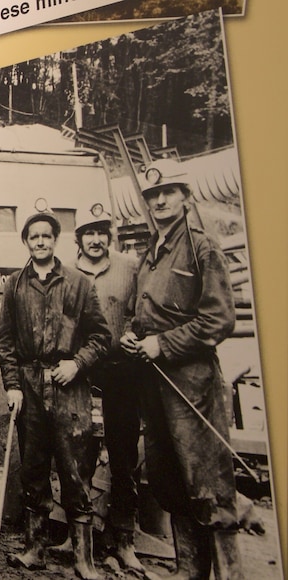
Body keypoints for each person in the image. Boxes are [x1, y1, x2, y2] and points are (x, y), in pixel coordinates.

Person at [119, 159, 241, 579]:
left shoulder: (202, 247)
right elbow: (142, 314)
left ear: (186, 197)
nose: (159, 201)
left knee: (208, 485)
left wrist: (163, 343)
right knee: (171, 482)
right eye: (152, 196)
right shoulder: (151, 253)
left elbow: (220, 319)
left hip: (192, 386)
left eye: (167, 192)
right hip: (155, 385)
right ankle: (190, 573)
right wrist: (133, 335)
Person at [0, 203, 110, 579]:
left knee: (75, 470)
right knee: (33, 470)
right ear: (26, 242)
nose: (41, 242)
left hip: (69, 389)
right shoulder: (13, 284)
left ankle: (83, 559)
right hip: (29, 387)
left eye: (47, 236)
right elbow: (6, 342)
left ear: (56, 240)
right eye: (34, 236)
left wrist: (77, 363)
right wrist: (12, 386)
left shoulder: (79, 283)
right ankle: (35, 549)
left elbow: (101, 336)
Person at [72, 202, 144, 573]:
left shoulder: (130, 267)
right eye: (89, 233)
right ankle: (83, 541)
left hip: (122, 374)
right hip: (84, 377)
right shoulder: (69, 273)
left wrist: (135, 332)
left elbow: (143, 312)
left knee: (123, 459)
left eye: (101, 232)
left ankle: (124, 540)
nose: (96, 239)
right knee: (81, 457)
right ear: (79, 239)